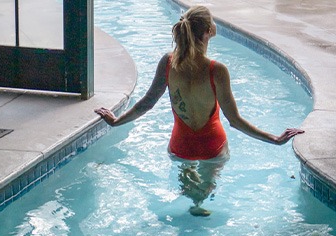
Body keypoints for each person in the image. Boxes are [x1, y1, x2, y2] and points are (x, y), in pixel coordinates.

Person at [94, 5, 304, 215]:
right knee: (206, 187)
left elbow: (147, 103)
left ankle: (194, 199)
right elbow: (235, 120)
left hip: (180, 147)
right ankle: (200, 201)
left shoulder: (168, 63)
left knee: (187, 181)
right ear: (209, 31)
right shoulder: (216, 70)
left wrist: (116, 121)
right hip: (212, 147)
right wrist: (274, 139)